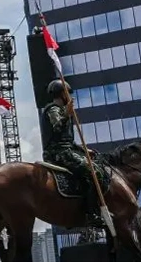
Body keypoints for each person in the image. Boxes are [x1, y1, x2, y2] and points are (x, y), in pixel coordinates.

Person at [40, 79, 105, 228]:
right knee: (95, 173)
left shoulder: (62, 110)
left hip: (67, 149)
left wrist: (83, 149)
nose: (70, 97)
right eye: (68, 94)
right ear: (62, 94)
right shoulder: (54, 109)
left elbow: (66, 139)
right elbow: (57, 128)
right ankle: (91, 213)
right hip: (59, 153)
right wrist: (67, 114)